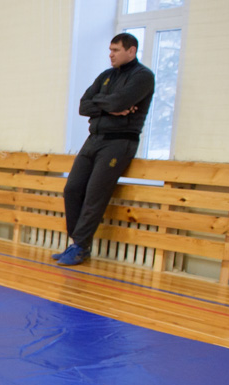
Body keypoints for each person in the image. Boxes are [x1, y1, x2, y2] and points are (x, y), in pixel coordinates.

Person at [55, 33, 155, 267]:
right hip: (94, 139)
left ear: (131, 51)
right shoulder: (106, 76)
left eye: (116, 50)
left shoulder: (142, 76)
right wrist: (109, 106)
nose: (111, 54)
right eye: (110, 50)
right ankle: (75, 242)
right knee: (72, 189)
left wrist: (106, 104)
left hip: (120, 141)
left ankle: (80, 246)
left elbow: (118, 102)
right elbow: (83, 105)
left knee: (95, 193)